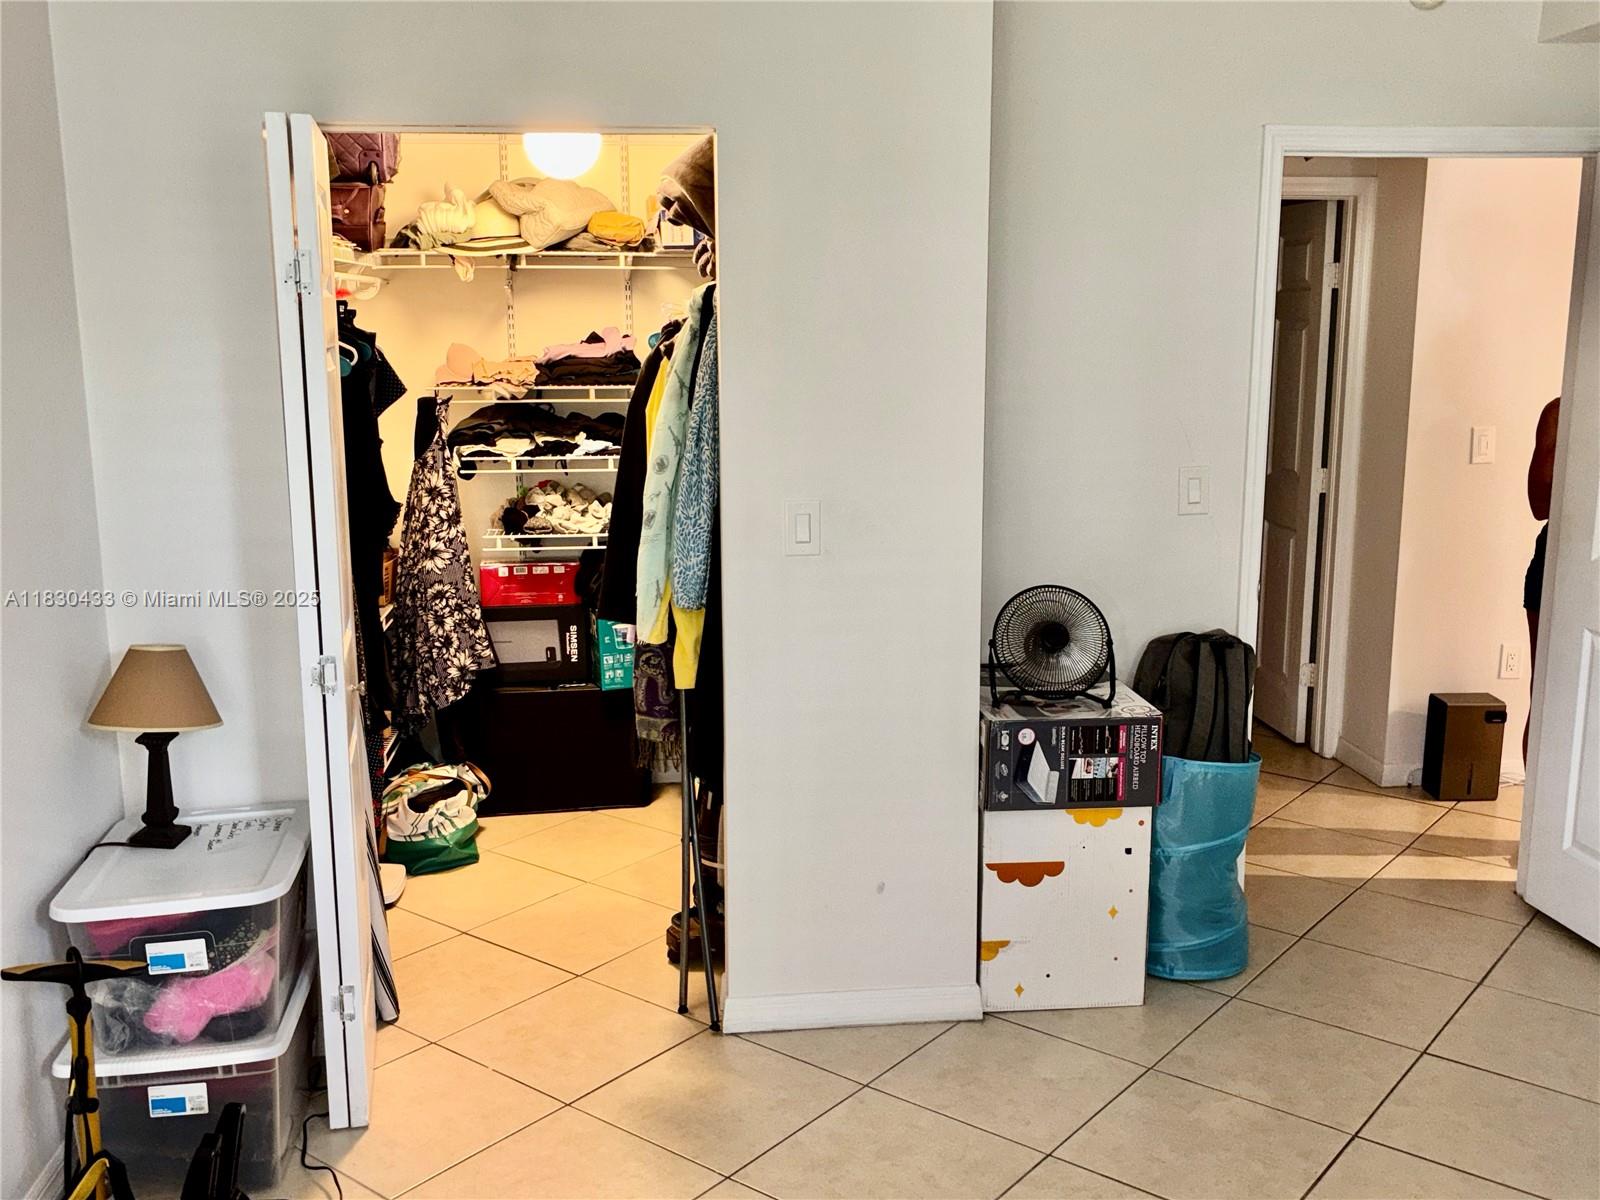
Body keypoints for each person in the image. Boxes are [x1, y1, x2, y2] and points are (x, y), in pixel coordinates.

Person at [1524, 397, 1560, 760]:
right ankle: (1535, 814)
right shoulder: (1560, 412)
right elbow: (1539, 503)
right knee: (1547, 689)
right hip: (1555, 562)